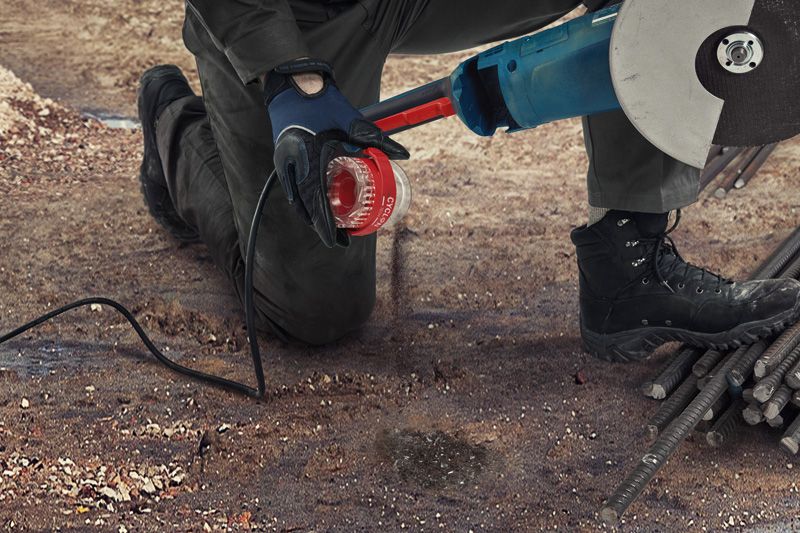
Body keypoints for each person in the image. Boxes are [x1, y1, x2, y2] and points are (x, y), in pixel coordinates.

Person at [136, 0, 800, 361]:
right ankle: (181, 135)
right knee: (316, 311)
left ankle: (631, 261)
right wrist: (288, 77)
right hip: (305, 12)